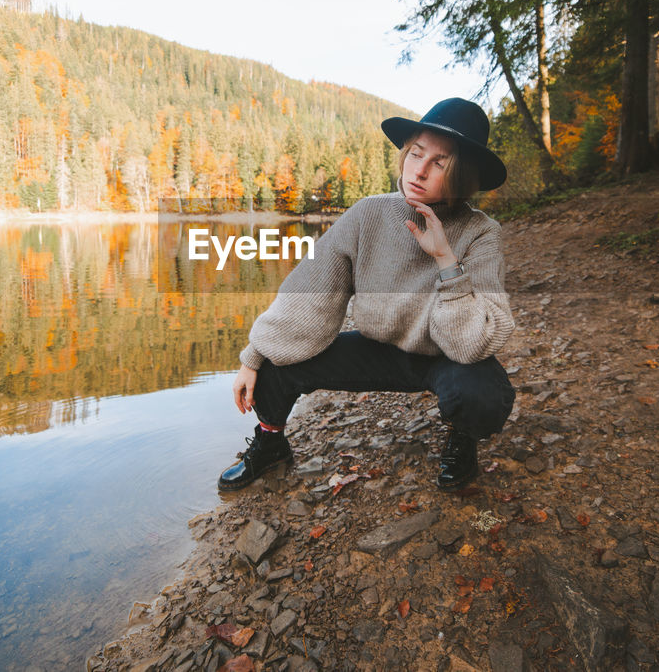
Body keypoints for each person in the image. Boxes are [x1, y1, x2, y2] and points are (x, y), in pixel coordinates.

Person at [217, 97, 516, 493]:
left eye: (439, 164)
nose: (420, 171)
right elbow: (310, 291)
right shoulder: (368, 214)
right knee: (278, 358)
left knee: (483, 395)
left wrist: (446, 259)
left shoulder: (482, 233)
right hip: (378, 349)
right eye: (415, 154)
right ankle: (271, 441)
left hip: (445, 357)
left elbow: (474, 342)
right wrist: (252, 358)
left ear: (463, 175)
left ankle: (462, 438)